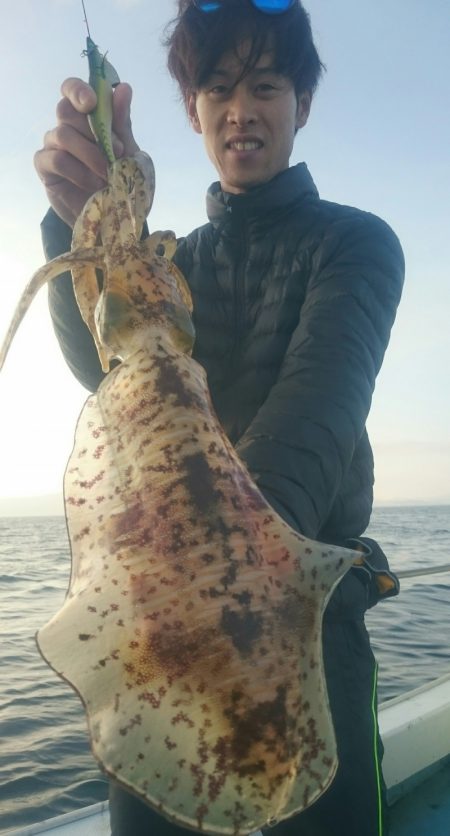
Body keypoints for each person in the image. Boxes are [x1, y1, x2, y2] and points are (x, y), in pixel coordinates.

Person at [34, 1, 404, 834]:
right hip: (165, 639)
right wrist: (80, 230)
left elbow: (316, 420)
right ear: (194, 110)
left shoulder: (356, 245)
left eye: (266, 85)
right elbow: (104, 369)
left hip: (307, 627)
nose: (241, 109)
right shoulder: (172, 265)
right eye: (218, 88)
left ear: (301, 105)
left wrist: (221, 585)